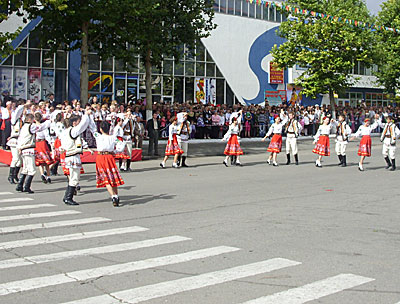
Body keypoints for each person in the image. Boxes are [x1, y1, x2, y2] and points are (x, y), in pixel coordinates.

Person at [91, 120, 125, 207]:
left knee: (106, 178)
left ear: (101, 129)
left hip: (101, 157)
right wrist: (115, 151)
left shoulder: (98, 136)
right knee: (112, 177)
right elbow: (121, 145)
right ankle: (116, 195)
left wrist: (89, 116)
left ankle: (113, 196)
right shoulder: (113, 138)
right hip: (109, 157)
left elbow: (92, 129)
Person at [16, 114, 51, 194]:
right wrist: (49, 121)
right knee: (32, 170)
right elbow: (41, 127)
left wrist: (19, 148)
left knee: (25, 168)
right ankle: (26, 187)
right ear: (30, 119)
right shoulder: (30, 126)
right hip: (29, 149)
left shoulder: (24, 127)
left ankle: (20, 185)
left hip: (23, 149)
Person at [60, 112, 90, 205]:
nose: (79, 123)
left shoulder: (65, 131)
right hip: (72, 156)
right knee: (74, 178)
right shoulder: (72, 131)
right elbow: (83, 125)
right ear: (74, 123)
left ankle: (68, 196)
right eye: (78, 121)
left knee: (74, 177)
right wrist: (86, 114)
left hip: (70, 155)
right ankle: (68, 197)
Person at [6, 102, 25, 184]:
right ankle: (10, 176)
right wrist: (23, 105)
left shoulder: (22, 120)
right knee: (15, 158)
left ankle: (15, 175)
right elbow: (17, 111)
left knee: (20, 161)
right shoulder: (15, 119)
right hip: (14, 140)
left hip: (21, 141)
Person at [34, 112, 54, 184]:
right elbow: (47, 136)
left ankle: (42, 174)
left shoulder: (33, 126)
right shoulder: (43, 126)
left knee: (40, 162)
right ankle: (48, 176)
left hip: (37, 143)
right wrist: (51, 143)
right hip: (43, 143)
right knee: (46, 162)